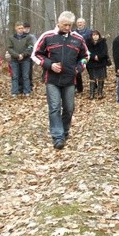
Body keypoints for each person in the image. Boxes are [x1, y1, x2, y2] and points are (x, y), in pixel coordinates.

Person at [32, 11, 89, 149]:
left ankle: (64, 131)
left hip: (70, 79)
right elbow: (35, 54)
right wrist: (49, 65)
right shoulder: (48, 36)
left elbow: (86, 56)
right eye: (65, 25)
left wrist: (78, 69)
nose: (68, 28)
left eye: (70, 25)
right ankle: (57, 136)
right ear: (58, 23)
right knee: (55, 107)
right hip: (52, 79)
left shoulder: (78, 38)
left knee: (69, 108)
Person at [7, 21, 35, 97]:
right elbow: (10, 48)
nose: (21, 30)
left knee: (26, 76)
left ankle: (27, 91)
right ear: (16, 28)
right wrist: (17, 55)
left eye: (22, 28)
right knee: (15, 76)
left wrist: (23, 55)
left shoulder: (28, 37)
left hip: (25, 59)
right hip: (14, 60)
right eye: (19, 28)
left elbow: (30, 47)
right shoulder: (11, 37)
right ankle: (15, 92)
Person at [86, 30, 109, 99]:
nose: (95, 36)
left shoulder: (103, 42)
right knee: (92, 78)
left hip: (101, 62)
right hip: (91, 62)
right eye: (93, 35)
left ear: (99, 35)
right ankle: (91, 93)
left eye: (96, 35)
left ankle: (100, 93)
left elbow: (105, 52)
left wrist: (98, 57)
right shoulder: (88, 43)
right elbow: (87, 51)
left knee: (101, 78)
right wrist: (93, 57)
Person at [75, 18, 92, 94]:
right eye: (78, 22)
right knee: (77, 71)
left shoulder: (90, 32)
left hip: (88, 54)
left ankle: (94, 87)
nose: (79, 24)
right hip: (77, 56)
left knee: (91, 71)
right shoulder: (73, 32)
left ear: (84, 23)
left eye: (81, 22)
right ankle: (79, 88)